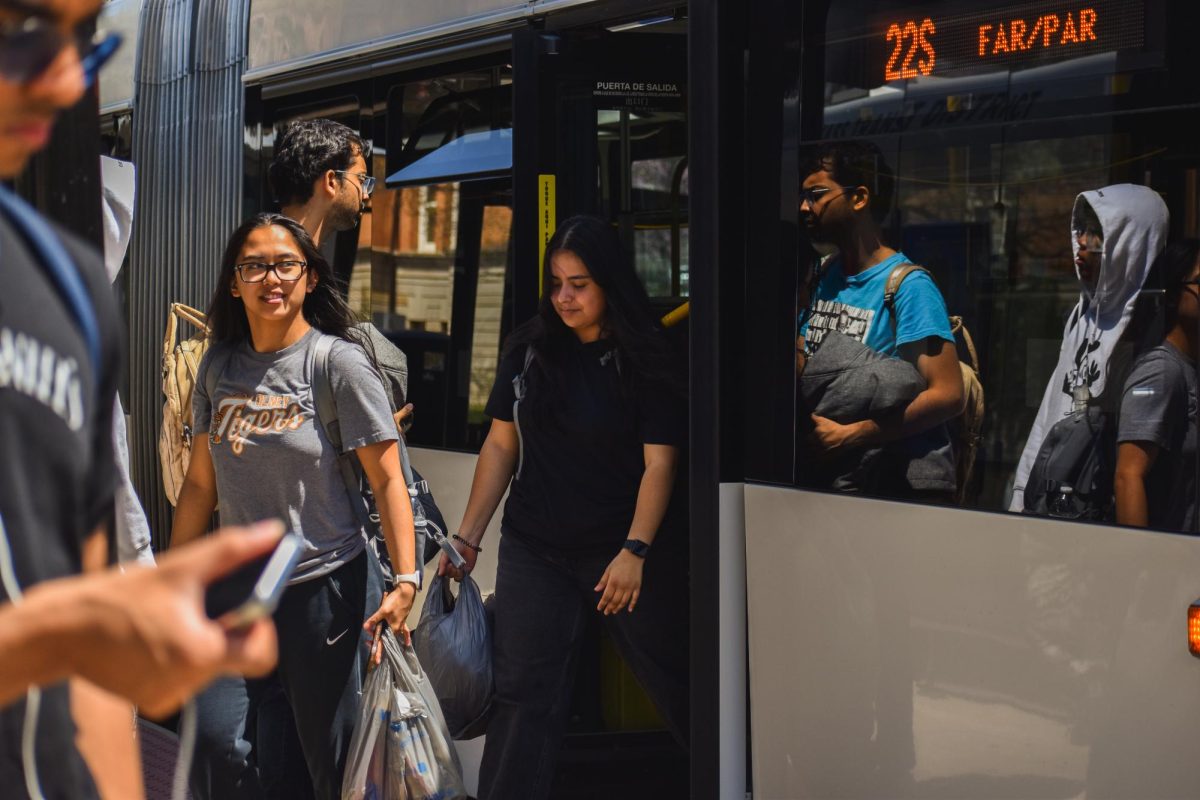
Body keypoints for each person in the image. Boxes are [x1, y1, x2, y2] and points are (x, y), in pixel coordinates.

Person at [0, 3, 279, 798]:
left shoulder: (68, 284)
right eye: (20, 27)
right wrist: (61, 637)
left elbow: (84, 627)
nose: (62, 78)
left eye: (82, 39)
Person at [439, 214, 690, 800]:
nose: (564, 297)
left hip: (619, 554)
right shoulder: (531, 350)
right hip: (536, 549)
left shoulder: (645, 356)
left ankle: (734, 780)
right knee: (523, 697)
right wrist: (469, 536)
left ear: (609, 283)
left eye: (579, 283)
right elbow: (502, 443)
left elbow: (661, 464)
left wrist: (635, 550)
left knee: (677, 680)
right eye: (556, 283)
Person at [170, 213, 418, 799]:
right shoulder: (219, 365)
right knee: (213, 745)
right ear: (235, 282)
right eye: (254, 266)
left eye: (286, 265)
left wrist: (405, 580)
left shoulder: (336, 364)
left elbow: (388, 481)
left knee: (330, 763)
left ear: (309, 278)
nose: (271, 278)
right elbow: (201, 487)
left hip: (324, 588)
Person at [796, 140, 963, 500]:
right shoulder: (820, 276)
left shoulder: (908, 286)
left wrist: (855, 433)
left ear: (859, 198)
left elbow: (948, 394)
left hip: (879, 486)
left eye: (816, 194)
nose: (804, 207)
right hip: (823, 480)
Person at [1009, 184, 1168, 512]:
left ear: (1130, 241)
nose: (1082, 242)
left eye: (1098, 233)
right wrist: (1020, 495)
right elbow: (1050, 412)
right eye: (1081, 230)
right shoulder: (1081, 316)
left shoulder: (1148, 334)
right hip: (1049, 505)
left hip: (1097, 512)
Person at [1114, 239, 1200, 531]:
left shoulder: (1189, 368)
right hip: (1164, 564)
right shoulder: (1161, 371)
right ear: (1175, 294)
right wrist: (1141, 564)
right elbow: (1128, 475)